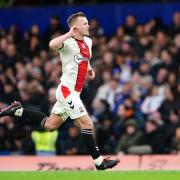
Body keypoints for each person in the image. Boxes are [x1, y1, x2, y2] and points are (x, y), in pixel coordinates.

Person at [0, 12, 119, 170]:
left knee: (50, 125)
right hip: (66, 91)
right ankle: (99, 163)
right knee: (87, 123)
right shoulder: (67, 42)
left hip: (75, 92)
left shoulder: (88, 42)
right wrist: (69, 33)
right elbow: (51, 45)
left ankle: (17, 111)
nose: (88, 25)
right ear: (75, 27)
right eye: (84, 23)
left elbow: (84, 58)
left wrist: (89, 69)